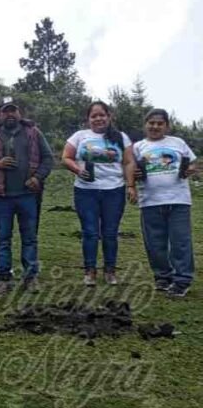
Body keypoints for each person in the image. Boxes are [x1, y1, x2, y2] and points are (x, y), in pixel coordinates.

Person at [0, 97, 53, 294]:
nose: (10, 114)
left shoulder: (33, 133)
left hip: (28, 194)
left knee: (29, 237)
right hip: (1, 196)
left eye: (13, 110)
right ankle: (3, 277)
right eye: (5, 111)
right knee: (3, 238)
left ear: (19, 113)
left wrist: (37, 178)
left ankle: (31, 277)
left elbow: (48, 158)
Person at [62, 101, 134, 286]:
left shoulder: (121, 137)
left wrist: (130, 185)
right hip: (86, 192)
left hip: (114, 191)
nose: (98, 118)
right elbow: (66, 158)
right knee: (90, 232)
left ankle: (110, 271)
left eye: (102, 114)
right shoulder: (79, 136)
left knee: (110, 233)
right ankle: (90, 271)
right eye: (94, 116)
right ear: (88, 119)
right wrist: (77, 170)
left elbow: (128, 163)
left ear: (109, 116)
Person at [131, 108, 197, 297]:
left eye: (160, 123)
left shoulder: (178, 143)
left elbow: (192, 163)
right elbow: (130, 168)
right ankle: (162, 276)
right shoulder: (138, 147)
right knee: (154, 243)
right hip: (150, 201)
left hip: (179, 200)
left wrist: (190, 169)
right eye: (151, 123)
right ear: (145, 125)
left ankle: (182, 279)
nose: (155, 126)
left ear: (166, 126)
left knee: (180, 241)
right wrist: (133, 178)